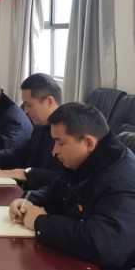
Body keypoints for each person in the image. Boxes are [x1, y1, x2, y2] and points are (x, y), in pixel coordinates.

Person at [9, 103, 135, 270]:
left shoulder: (122, 180)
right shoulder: (86, 161)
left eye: (60, 143)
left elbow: (102, 246)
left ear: (88, 143)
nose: (54, 151)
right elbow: (57, 191)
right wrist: (28, 201)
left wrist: (40, 223)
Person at [0, 73, 64, 190]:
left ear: (49, 101)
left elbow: (64, 179)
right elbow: (19, 154)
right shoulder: (40, 127)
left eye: (29, 105)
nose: (25, 111)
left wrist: (25, 173)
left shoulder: (68, 132)